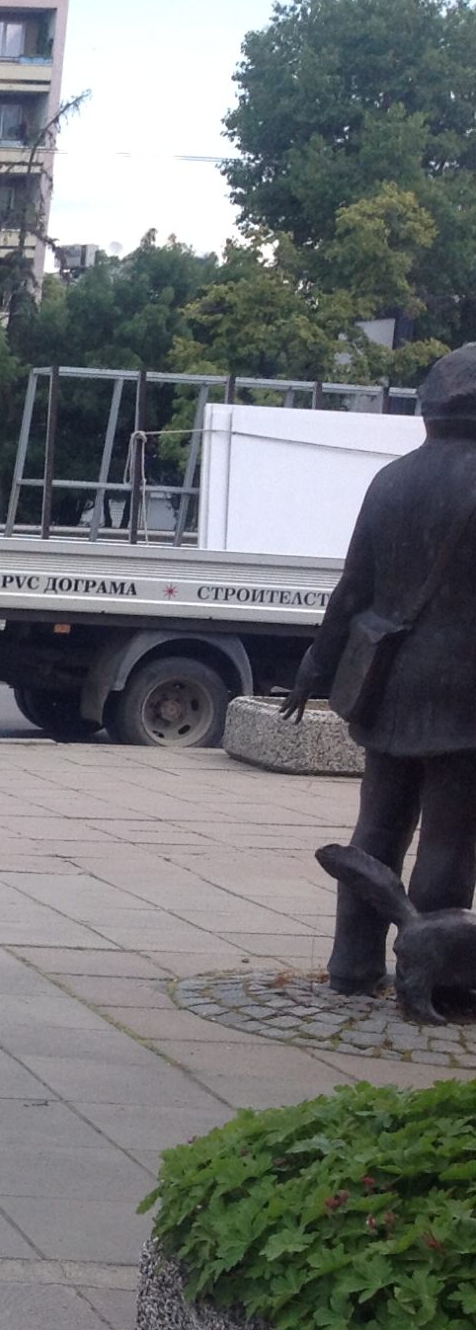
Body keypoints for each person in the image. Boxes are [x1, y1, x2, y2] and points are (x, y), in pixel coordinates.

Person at [284, 341, 476, 994]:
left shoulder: (389, 481)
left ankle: (352, 962)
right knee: (450, 838)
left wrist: (316, 664)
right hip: (464, 690)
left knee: (377, 827)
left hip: (389, 681)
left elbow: (352, 589)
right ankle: (439, 982)